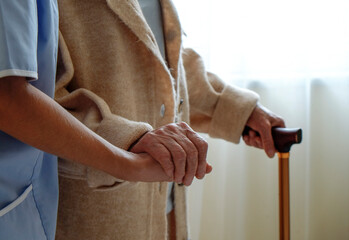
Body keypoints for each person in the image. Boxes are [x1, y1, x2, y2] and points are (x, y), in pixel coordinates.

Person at [54, 0, 285, 240]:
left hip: (168, 209)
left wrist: (236, 108)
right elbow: (36, 102)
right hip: (97, 216)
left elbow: (162, 62)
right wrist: (127, 141)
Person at [0, 1, 197, 239]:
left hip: (160, 198)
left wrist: (238, 109)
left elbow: (168, 62)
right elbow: (10, 98)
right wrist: (129, 159)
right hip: (75, 205)